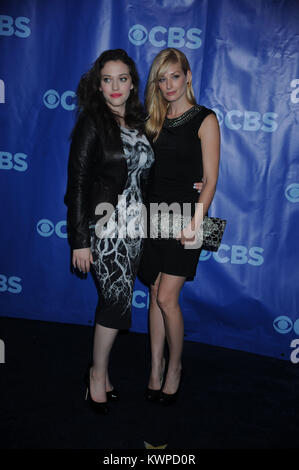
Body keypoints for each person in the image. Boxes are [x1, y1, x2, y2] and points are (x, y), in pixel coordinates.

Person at [64, 49, 154, 414]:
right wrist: (80, 242)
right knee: (115, 304)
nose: (115, 86)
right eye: (107, 79)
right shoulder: (92, 123)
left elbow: (145, 177)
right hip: (105, 230)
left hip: (136, 231)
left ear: (133, 83)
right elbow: (79, 184)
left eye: (122, 78)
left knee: (117, 303)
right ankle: (96, 376)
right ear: (98, 86)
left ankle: (100, 372)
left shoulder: (139, 122)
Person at [138, 48, 220, 405]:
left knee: (167, 298)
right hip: (152, 216)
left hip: (187, 218)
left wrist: (195, 225)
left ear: (187, 75)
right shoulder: (152, 120)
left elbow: (212, 180)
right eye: (162, 78)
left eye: (174, 75)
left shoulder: (205, 119)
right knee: (154, 295)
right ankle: (155, 367)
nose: (169, 84)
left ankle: (175, 366)